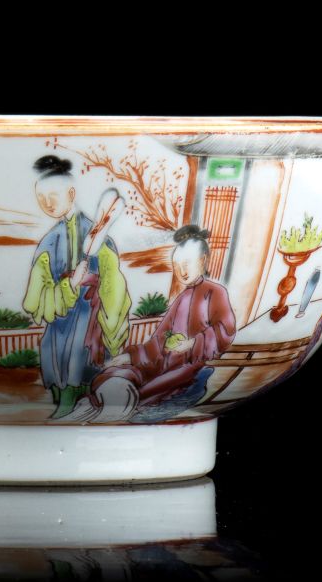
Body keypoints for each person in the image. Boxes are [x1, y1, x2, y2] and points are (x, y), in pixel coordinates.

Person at [87, 225, 236, 419]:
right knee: (123, 371)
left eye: (187, 263)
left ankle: (123, 402)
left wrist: (192, 343)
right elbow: (159, 340)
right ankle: (113, 392)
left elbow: (225, 331)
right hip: (165, 360)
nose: (182, 271)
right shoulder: (182, 298)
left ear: (202, 260)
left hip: (191, 364)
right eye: (177, 265)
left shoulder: (216, 292)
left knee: (155, 386)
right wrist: (131, 356)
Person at [22, 155, 131, 419]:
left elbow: (114, 287)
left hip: (87, 316)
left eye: (53, 196)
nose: (47, 204)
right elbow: (35, 297)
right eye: (41, 198)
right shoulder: (49, 241)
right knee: (53, 358)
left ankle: (76, 407)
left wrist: (111, 326)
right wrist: (69, 284)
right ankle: (61, 405)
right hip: (58, 321)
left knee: (79, 358)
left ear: (71, 194)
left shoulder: (97, 235)